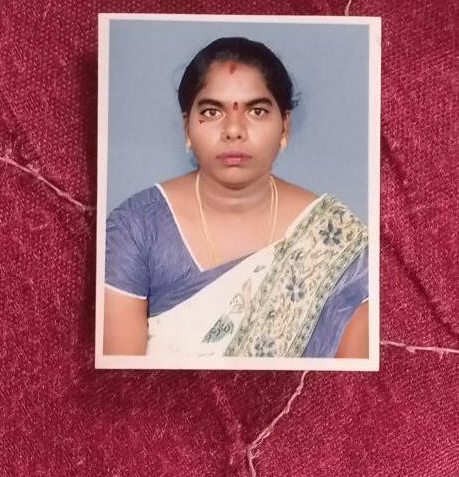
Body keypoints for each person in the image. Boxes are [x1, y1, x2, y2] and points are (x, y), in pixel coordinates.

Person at [103, 37, 369, 359]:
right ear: (187, 127)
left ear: (284, 127)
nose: (233, 130)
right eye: (211, 111)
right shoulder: (135, 228)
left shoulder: (337, 242)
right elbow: (119, 378)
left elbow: (352, 383)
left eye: (257, 111)